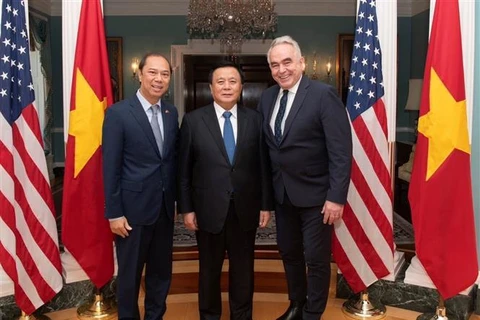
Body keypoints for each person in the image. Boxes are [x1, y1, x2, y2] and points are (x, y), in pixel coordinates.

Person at [257, 36, 352, 320]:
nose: (281, 69)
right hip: (283, 195)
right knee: (289, 253)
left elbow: (341, 151)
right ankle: (296, 304)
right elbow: (267, 150)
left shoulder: (323, 95)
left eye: (287, 62)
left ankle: (313, 313)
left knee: (316, 259)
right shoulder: (268, 97)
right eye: (275, 65)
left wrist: (336, 197)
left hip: (317, 198)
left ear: (301, 62)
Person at [177, 61, 274, 320]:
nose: (227, 86)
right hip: (208, 210)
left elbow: (263, 166)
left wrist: (266, 204)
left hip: (246, 209)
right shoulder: (193, 121)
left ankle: (242, 316)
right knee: (209, 271)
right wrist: (186, 208)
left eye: (233, 81)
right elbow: (183, 170)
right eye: (221, 81)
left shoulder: (256, 120)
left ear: (241, 87)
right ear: (211, 87)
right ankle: (209, 315)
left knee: (243, 271)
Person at [102, 52, 179, 320]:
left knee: (161, 274)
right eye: (153, 72)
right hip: (131, 213)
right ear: (140, 74)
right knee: (130, 277)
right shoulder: (118, 113)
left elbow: (169, 161)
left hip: (164, 210)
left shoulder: (171, 112)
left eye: (165, 74)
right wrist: (114, 213)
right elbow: (110, 167)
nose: (159, 79)